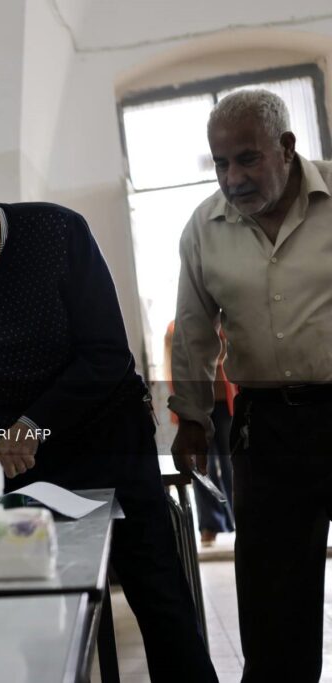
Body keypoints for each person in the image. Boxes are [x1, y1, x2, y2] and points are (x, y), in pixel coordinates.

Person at [0, 176, 217, 682]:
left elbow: (107, 354)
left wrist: (34, 423)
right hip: (16, 455)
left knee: (157, 593)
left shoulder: (59, 232)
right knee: (35, 603)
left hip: (108, 434)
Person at [169, 89, 332, 682]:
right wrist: (191, 419)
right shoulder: (204, 228)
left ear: (286, 147)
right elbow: (193, 330)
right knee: (273, 607)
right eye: (220, 163)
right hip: (267, 429)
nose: (232, 178)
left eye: (247, 159)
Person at [164, 322, 235, 547]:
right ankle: (210, 525)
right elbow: (173, 366)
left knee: (232, 465)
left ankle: (237, 518)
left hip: (227, 404)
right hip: (197, 408)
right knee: (202, 467)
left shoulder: (225, 322)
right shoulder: (175, 329)